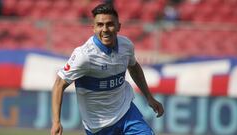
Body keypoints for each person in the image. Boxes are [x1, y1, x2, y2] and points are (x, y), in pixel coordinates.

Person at [51, 3, 164, 135]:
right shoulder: (84, 56)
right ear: (93, 28)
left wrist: (149, 98)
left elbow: (134, 67)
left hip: (127, 113)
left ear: (118, 27)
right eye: (100, 25)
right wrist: (56, 121)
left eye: (110, 24)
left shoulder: (126, 45)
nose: (105, 29)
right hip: (99, 126)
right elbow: (59, 84)